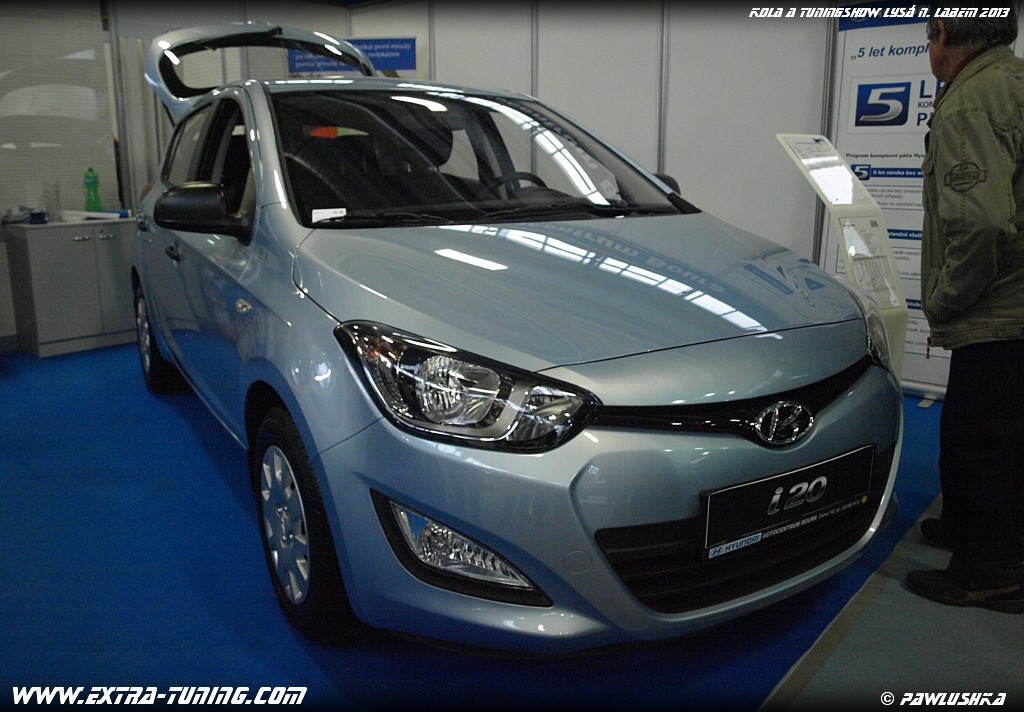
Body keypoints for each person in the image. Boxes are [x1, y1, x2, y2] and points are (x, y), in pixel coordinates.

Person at [907, 4, 1024, 613]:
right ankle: (979, 532)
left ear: (944, 34)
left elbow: (980, 222)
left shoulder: (970, 101)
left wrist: (947, 297)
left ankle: (989, 572)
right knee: (998, 434)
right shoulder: (1013, 80)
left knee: (982, 440)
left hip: (1000, 309)